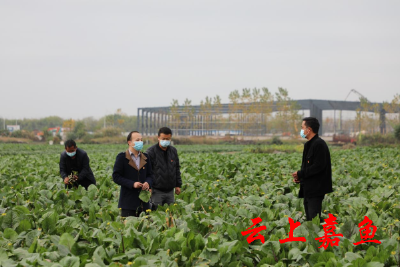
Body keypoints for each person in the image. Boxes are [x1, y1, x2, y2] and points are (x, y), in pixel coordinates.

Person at [292, 117, 333, 221]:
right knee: (310, 220)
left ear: (308, 129)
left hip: (316, 190)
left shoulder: (319, 144)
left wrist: (300, 173)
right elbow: (308, 168)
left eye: (302, 128)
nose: (301, 130)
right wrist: (300, 178)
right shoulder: (308, 145)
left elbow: (318, 167)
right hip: (308, 189)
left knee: (314, 221)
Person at [112, 131, 153, 217]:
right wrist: (132, 184)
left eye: (141, 140)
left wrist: (148, 183)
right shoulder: (122, 157)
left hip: (144, 202)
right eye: (137, 140)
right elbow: (116, 177)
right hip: (128, 202)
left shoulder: (146, 157)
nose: (140, 142)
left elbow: (150, 175)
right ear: (129, 142)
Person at [146, 127, 182, 207]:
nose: (165, 141)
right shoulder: (150, 152)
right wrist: (149, 186)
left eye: (167, 139)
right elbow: (147, 171)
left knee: (170, 214)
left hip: (170, 191)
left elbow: (176, 168)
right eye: (163, 138)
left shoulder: (173, 151)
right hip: (156, 190)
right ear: (158, 137)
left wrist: (178, 185)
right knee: (156, 214)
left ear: (170, 138)